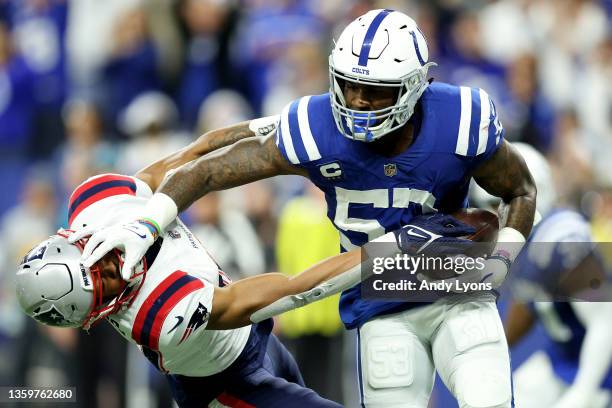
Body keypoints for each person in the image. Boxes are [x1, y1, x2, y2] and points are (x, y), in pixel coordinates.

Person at [79, 9, 536, 407]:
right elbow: (210, 171)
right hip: (380, 298)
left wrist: (502, 258)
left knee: (488, 397)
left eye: (374, 91)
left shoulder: (459, 119)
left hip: (453, 282)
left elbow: (521, 190)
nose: (358, 101)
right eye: (350, 86)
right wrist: (145, 222)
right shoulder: (316, 127)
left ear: (416, 87)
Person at [15, 163, 370, 407]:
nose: (109, 268)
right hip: (229, 384)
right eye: (102, 285)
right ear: (97, 313)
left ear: (73, 238)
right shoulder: (158, 316)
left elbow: (187, 166)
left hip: (257, 342)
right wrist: (392, 256)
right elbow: (292, 289)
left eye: (91, 261)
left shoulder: (96, 204)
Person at [503, 144, 612, 408]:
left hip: (601, 368)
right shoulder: (530, 242)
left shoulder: (561, 237)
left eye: (494, 202)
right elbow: (526, 302)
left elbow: (605, 320)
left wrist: (583, 392)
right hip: (563, 360)